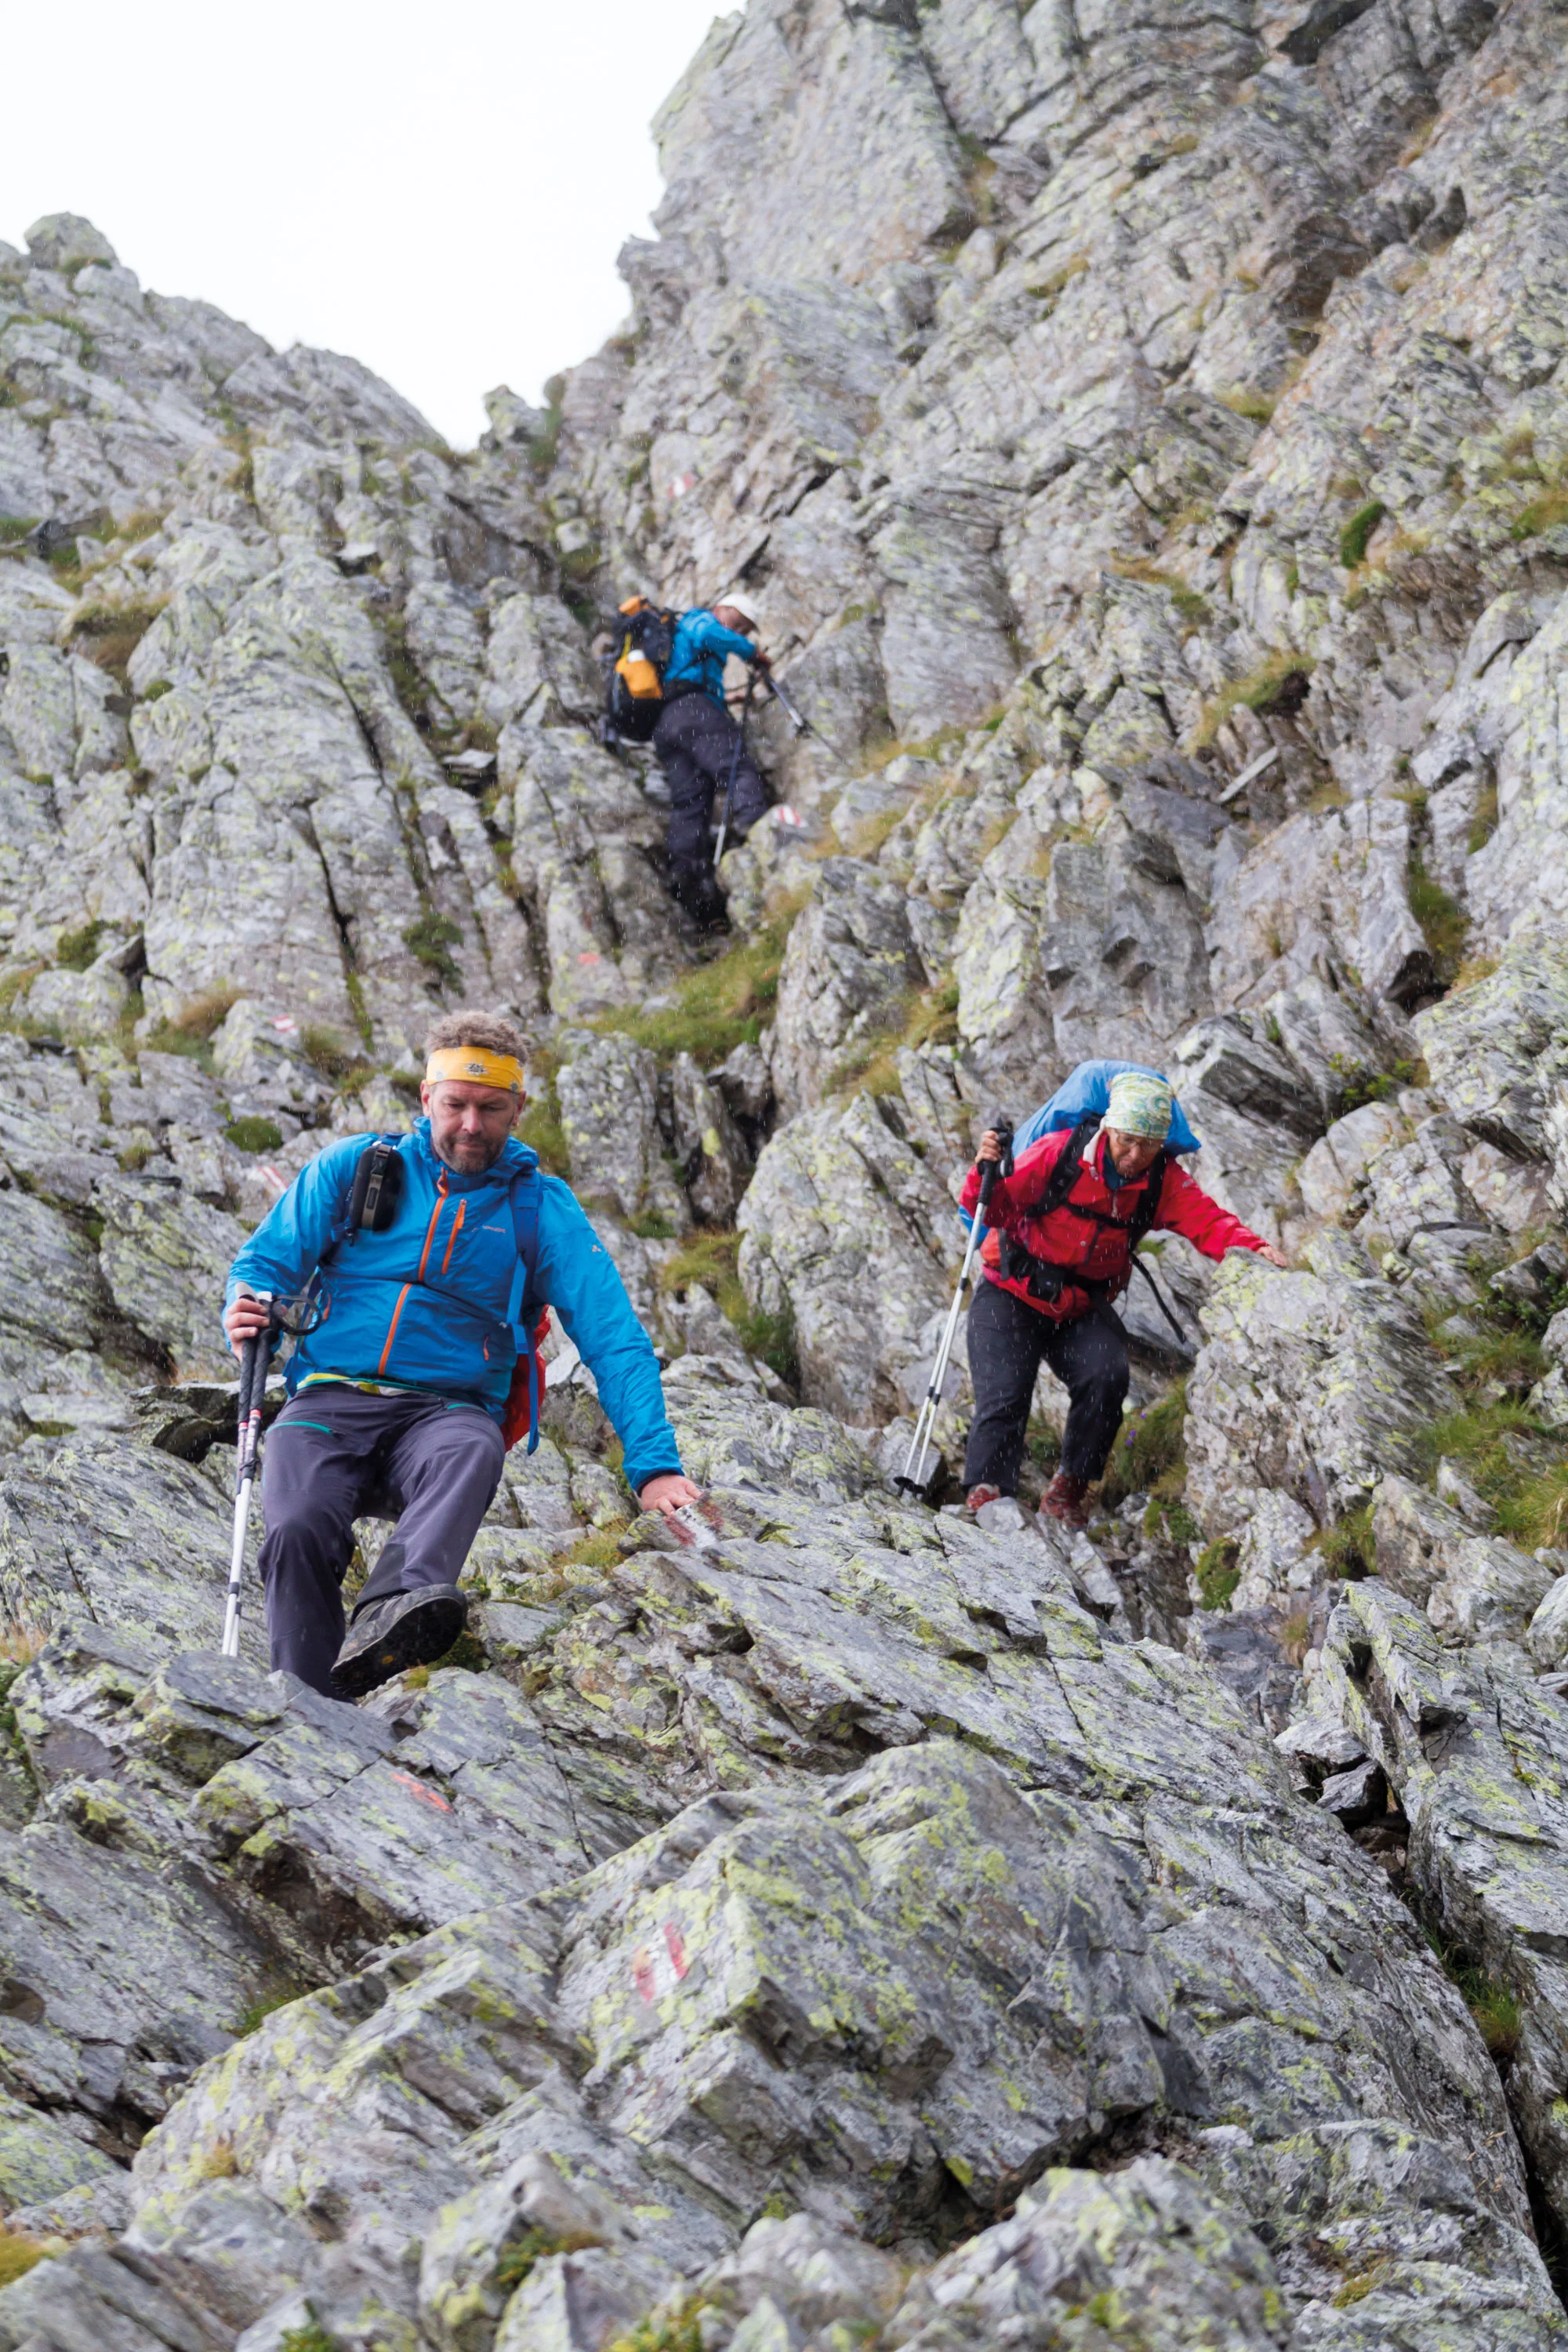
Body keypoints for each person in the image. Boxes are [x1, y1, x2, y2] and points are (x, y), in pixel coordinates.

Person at [222, 1009, 702, 1699]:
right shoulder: (354, 1168)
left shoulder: (542, 1209)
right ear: (427, 1099)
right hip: (329, 1395)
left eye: (491, 1108)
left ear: (519, 1109)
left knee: (472, 1448)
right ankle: (303, 1700)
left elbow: (614, 1337)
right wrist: (245, 1304)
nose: (471, 1125)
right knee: (296, 1528)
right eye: (456, 1105)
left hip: (447, 1412)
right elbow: (265, 1264)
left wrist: (655, 1467)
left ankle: (389, 1618)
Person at [957, 1068, 1287, 1530]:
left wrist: (1255, 1250)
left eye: (1148, 1145)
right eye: (1127, 1141)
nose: (1135, 1156)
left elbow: (1208, 1222)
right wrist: (981, 1175)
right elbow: (995, 1209)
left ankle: (1069, 1488)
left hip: (1078, 1305)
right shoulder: (1058, 1153)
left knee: (1107, 1378)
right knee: (1005, 1394)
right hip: (1011, 1290)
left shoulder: (1161, 1180)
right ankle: (987, 1495)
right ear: (1109, 1128)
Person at [652, 598, 771, 928]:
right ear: (722, 608)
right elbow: (708, 636)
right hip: (693, 710)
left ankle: (689, 885)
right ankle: (762, 832)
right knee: (737, 768)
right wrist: (751, 652)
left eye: (746, 628)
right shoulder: (699, 620)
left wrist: (726, 699)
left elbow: (694, 674)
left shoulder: (687, 641)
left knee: (691, 803)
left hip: (669, 724)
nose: (739, 629)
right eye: (738, 621)